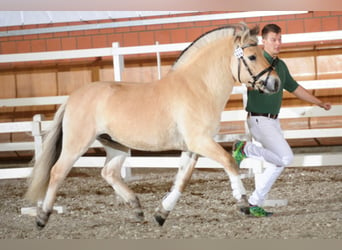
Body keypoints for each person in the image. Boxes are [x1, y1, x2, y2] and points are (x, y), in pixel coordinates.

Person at [232, 23, 332, 217]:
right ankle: (245, 149)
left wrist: (319, 102)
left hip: (273, 122)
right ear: (264, 41)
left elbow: (295, 88)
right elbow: (241, 68)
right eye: (273, 40)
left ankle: (254, 203)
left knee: (277, 163)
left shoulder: (281, 65)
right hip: (259, 120)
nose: (277, 43)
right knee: (286, 157)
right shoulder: (256, 60)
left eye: (279, 39)